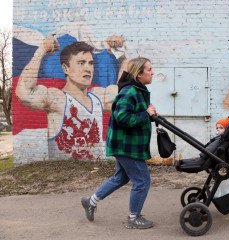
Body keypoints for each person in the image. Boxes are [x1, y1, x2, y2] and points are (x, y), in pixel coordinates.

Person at [81, 57, 157, 229]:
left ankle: (91, 202)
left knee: (121, 177)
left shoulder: (137, 90)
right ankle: (133, 218)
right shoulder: (130, 91)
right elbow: (122, 117)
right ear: (139, 74)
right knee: (142, 181)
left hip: (126, 144)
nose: (152, 72)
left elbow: (134, 115)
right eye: (149, 69)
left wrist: (149, 115)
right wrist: (146, 113)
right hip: (126, 146)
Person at [15, 36, 119, 160]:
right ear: (65, 68)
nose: (88, 68)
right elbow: (25, 93)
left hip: (96, 176)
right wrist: (42, 50)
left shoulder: (98, 97)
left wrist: (121, 53)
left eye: (90, 63)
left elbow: (126, 97)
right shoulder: (58, 99)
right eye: (81, 63)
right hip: (68, 178)